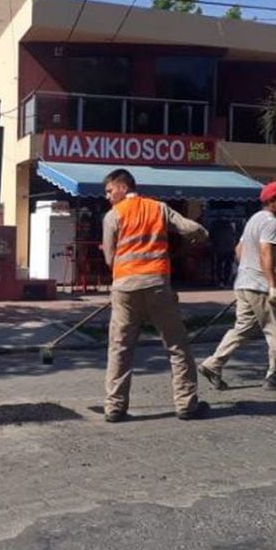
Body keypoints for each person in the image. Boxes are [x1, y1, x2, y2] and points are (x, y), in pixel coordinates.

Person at [101, 169, 211, 423]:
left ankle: (114, 408)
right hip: (158, 286)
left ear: (123, 186)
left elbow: (109, 258)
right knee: (177, 346)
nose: (107, 196)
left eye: (109, 190)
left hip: (125, 289)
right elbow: (191, 228)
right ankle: (186, 404)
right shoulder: (159, 208)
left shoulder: (112, 216)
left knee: (120, 348)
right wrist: (200, 237)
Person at [199, 181, 276, 392]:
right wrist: (272, 285)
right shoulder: (271, 222)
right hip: (261, 286)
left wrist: (246, 271)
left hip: (243, 283)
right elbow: (265, 252)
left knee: (242, 328)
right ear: (271, 201)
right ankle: (275, 375)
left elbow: (239, 249)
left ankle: (213, 364)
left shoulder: (253, 220)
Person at [210, 217, 237, 287]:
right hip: (229, 248)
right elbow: (234, 237)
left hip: (219, 248)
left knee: (219, 265)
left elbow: (211, 237)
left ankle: (220, 281)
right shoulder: (230, 226)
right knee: (227, 265)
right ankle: (225, 281)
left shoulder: (216, 226)